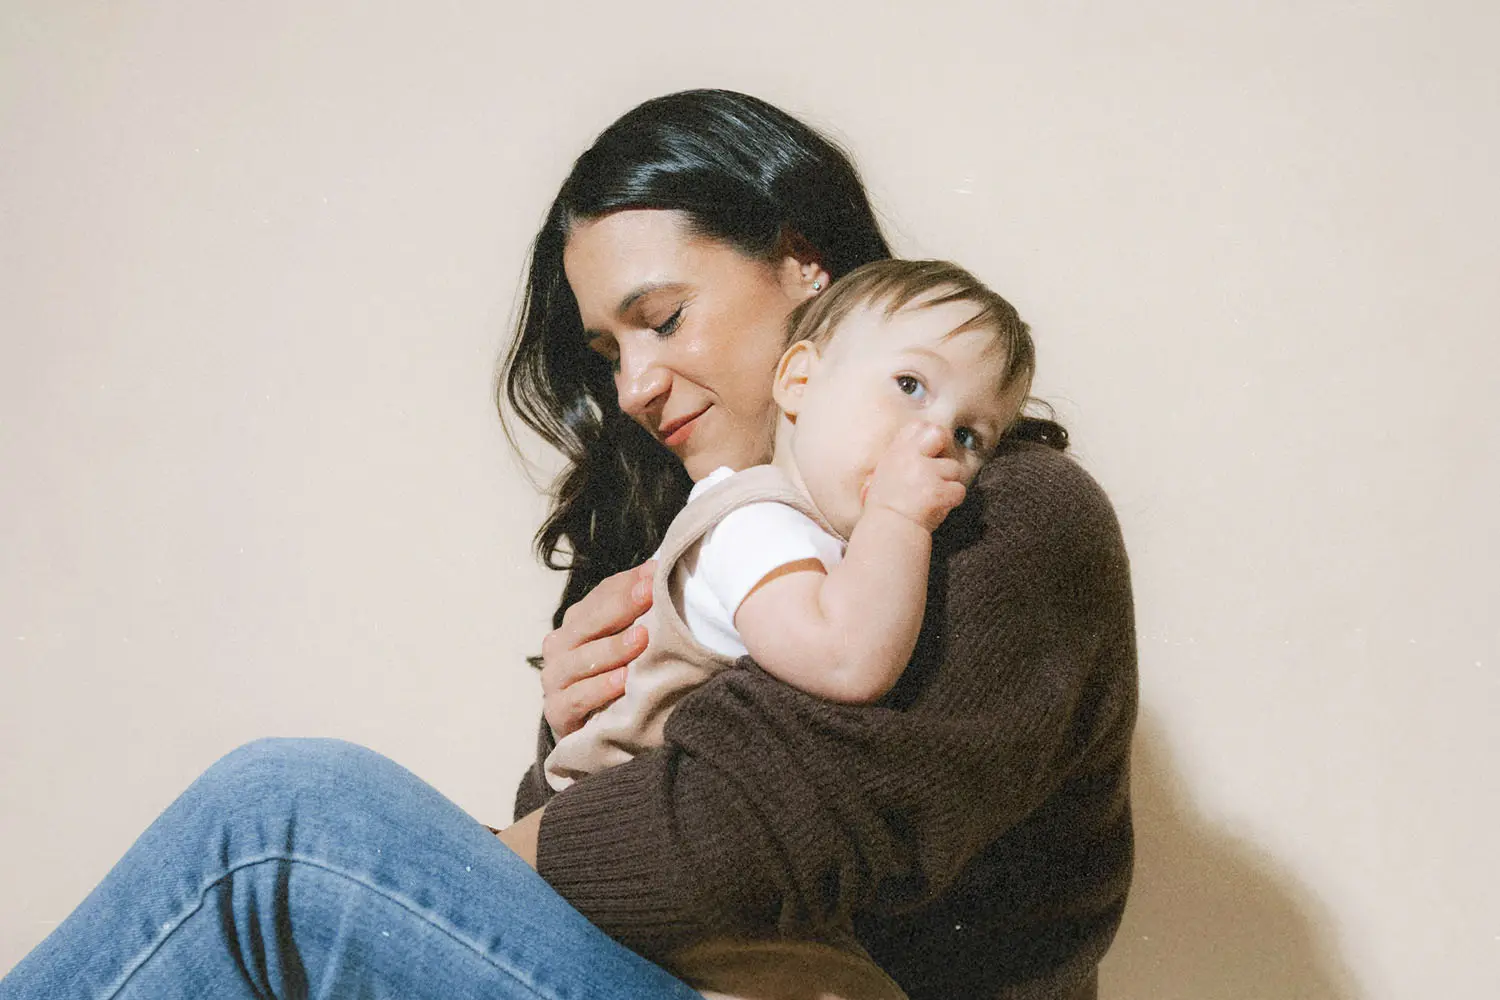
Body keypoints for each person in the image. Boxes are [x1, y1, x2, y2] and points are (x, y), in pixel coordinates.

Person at [0, 89, 1135, 1000]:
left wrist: (448, 859)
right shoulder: (705, 530)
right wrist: (571, 721)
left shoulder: (1003, 512)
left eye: (663, 318)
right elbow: (610, 851)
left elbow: (741, 840)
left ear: (803, 266)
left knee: (283, 820)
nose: (634, 386)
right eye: (607, 348)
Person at [541, 259, 1038, 1000]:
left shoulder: (823, 534)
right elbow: (846, 660)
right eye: (909, 387)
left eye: (970, 434)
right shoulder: (752, 523)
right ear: (799, 380)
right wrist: (898, 518)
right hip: (638, 893)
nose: (935, 439)